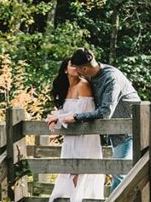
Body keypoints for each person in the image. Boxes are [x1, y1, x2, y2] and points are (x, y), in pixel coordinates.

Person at [49, 48, 140, 192]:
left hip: (130, 129)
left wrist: (76, 117)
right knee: (120, 171)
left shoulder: (111, 78)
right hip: (114, 131)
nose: (76, 72)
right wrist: (59, 115)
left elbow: (105, 112)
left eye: (77, 69)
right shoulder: (90, 76)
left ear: (84, 68)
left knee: (119, 172)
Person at [45, 59, 104, 202]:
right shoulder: (66, 88)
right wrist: (54, 118)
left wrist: (59, 117)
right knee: (69, 169)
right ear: (65, 70)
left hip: (85, 135)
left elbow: (83, 113)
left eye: (78, 66)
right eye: (72, 65)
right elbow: (65, 113)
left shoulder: (83, 85)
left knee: (80, 170)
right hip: (71, 137)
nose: (76, 68)